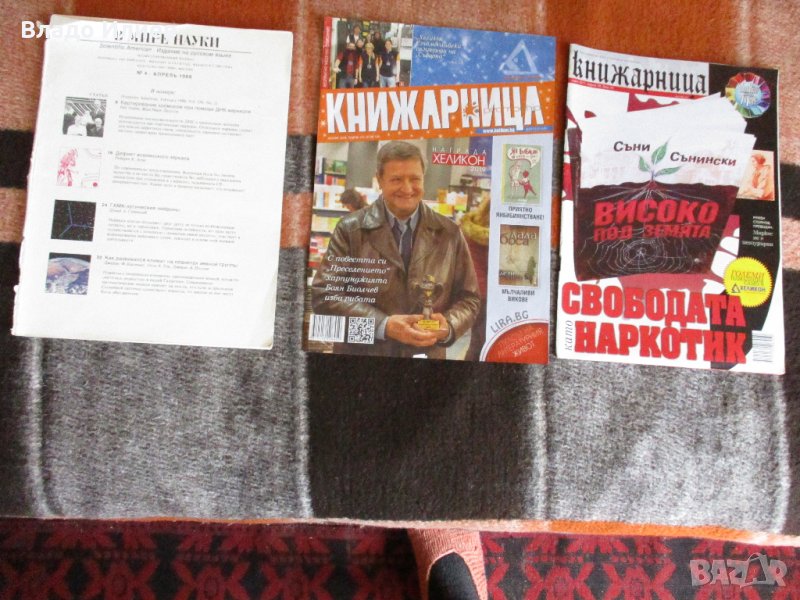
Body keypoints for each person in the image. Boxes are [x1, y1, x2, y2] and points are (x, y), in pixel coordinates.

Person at [311, 141, 480, 358]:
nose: (407, 189)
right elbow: (324, 296)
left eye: (415, 179)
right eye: (396, 179)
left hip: (426, 355)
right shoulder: (350, 229)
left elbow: (470, 298)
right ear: (379, 180)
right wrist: (385, 326)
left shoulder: (449, 233)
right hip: (364, 356)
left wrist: (448, 326)